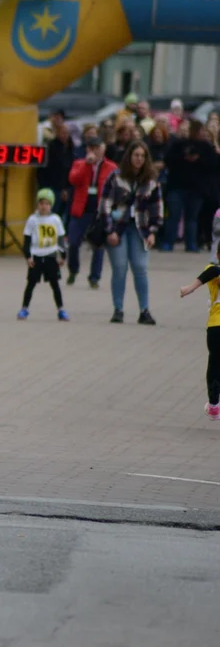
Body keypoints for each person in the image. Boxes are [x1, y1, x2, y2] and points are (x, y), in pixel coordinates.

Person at [101, 140, 163, 325]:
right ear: (129, 156)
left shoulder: (151, 181)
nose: (139, 159)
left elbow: (157, 208)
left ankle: (144, 310)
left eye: (143, 156)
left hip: (141, 229)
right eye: (136, 155)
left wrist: (153, 231)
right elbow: (104, 206)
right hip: (118, 228)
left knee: (140, 268)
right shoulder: (116, 177)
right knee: (119, 268)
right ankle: (118, 310)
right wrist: (109, 230)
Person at [66, 137, 116, 287]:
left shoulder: (111, 167)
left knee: (98, 244)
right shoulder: (79, 164)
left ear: (103, 149)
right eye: (91, 148)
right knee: (73, 242)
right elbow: (73, 180)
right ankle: (73, 270)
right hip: (82, 208)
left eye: (97, 148)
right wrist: (87, 165)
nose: (94, 151)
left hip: (100, 210)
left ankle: (94, 277)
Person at [178, 245, 220, 421]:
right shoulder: (214, 271)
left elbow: (211, 272)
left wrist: (190, 287)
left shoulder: (213, 269)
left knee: (215, 364)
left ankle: (213, 404)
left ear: (217, 254)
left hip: (215, 327)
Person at [162, 120, 218, 252]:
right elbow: (168, 161)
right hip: (177, 186)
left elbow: (213, 165)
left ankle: (191, 244)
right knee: (173, 216)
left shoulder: (205, 147)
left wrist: (199, 158)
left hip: (197, 189)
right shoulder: (178, 145)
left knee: (192, 218)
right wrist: (184, 156)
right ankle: (168, 242)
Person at [18, 188, 69, 321]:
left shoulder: (55, 219)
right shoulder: (32, 220)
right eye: (41, 203)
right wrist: (28, 256)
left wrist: (63, 256)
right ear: (37, 205)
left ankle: (61, 310)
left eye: (47, 204)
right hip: (36, 257)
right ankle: (24, 308)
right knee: (31, 283)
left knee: (55, 284)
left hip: (51, 256)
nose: (44, 206)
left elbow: (61, 239)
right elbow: (27, 240)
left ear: (51, 205)